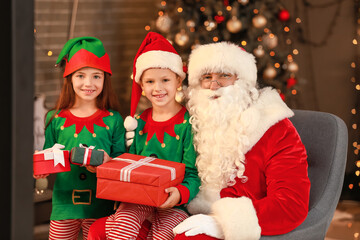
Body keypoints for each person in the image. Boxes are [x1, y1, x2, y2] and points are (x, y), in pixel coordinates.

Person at [172, 42, 311, 240]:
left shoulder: (275, 129)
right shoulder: (194, 123)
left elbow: (290, 205)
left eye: (224, 75)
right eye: (207, 77)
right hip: (185, 212)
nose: (214, 85)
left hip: (243, 227)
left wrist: (221, 223)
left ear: (243, 81)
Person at [88, 32, 201, 240]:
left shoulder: (188, 123)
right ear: (141, 85)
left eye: (165, 80)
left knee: (164, 234)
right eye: (149, 81)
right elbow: (129, 162)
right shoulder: (138, 121)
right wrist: (109, 164)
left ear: (178, 81)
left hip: (173, 201)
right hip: (139, 197)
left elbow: (193, 173)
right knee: (121, 226)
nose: (157, 88)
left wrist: (180, 193)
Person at [33, 36, 126, 240]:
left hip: (102, 206)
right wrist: (40, 172)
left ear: (105, 79)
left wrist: (106, 164)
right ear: (70, 78)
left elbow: (122, 164)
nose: (88, 83)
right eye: (81, 76)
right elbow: (49, 157)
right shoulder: (54, 119)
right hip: (64, 206)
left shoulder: (114, 120)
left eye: (96, 76)